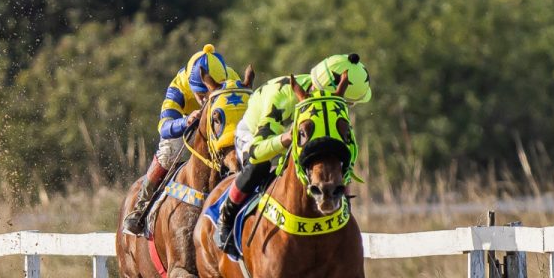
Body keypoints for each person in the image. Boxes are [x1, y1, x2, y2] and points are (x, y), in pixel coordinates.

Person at [213, 53, 371, 253]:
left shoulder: (329, 102)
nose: (344, 108)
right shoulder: (280, 98)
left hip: (298, 137)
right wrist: (287, 138)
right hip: (255, 136)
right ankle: (226, 216)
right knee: (260, 166)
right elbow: (256, 151)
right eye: (348, 103)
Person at [123, 44, 241, 236]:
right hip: (185, 125)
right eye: (202, 95)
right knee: (168, 152)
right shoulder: (179, 87)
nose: (206, 100)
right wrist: (187, 121)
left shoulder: (232, 78)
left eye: (211, 93)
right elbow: (164, 127)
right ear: (192, 87)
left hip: (220, 125)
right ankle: (141, 206)